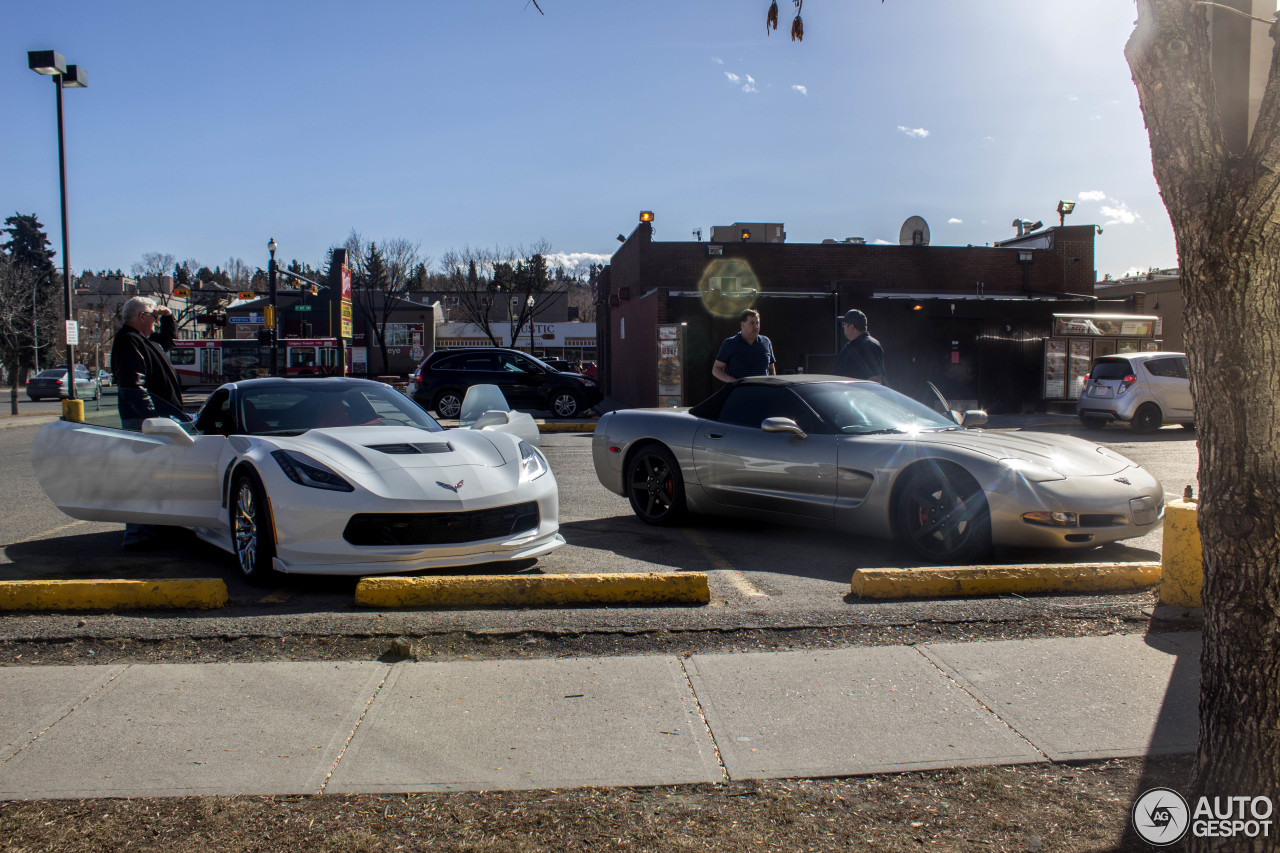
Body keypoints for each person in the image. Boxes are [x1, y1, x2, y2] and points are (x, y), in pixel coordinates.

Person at [111, 296, 184, 550]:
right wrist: (153, 419)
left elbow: (168, 341)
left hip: (156, 418)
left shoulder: (144, 341)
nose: (156, 321)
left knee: (156, 476)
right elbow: (133, 387)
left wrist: (168, 317)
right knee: (142, 477)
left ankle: (155, 530)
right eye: (153, 316)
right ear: (141, 317)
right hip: (146, 421)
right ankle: (138, 536)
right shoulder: (128, 342)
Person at [712, 308, 777, 382]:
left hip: (762, 390)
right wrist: (733, 382)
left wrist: (772, 385)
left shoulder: (766, 342)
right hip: (741, 391)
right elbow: (716, 369)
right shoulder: (730, 343)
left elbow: (771, 368)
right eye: (752, 323)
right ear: (742, 325)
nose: (756, 326)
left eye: (757, 323)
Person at [833, 309, 886, 384]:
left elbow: (876, 378)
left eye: (844, 324)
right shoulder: (851, 345)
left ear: (851, 326)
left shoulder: (871, 346)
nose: (843, 327)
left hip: (858, 394)